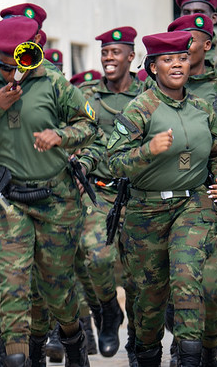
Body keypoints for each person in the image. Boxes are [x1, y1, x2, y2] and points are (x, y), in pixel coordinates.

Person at [0, 16, 98, 367]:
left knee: (55, 287)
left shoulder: (52, 80)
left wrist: (61, 137)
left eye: (16, 65)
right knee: (12, 283)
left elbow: (89, 123)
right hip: (9, 200)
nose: (9, 74)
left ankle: (74, 339)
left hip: (55, 199)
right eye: (3, 66)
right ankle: (17, 357)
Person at [105, 30, 217, 367]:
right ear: (152, 66)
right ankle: (146, 354)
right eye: (167, 60)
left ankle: (193, 357)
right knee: (149, 302)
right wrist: (148, 150)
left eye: (181, 58)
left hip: (193, 205)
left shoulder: (202, 108)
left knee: (187, 276)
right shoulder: (140, 109)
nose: (177, 64)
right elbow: (113, 161)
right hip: (146, 212)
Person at [167, 14, 217, 366]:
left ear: (207, 46)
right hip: (171, 196)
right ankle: (186, 348)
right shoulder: (155, 88)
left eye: (191, 42)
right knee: (181, 278)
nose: (183, 51)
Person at [75, 26, 142, 360]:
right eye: (104, 53)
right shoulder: (89, 95)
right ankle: (108, 309)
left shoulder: (148, 93)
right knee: (96, 256)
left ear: (131, 56)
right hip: (100, 193)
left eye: (115, 52)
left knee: (138, 274)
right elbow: (83, 135)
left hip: (140, 194)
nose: (109, 59)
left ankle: (139, 342)